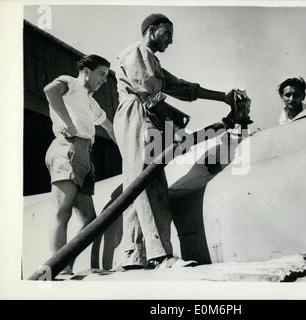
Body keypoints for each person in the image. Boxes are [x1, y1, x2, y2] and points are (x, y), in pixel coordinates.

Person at [112, 13, 238, 269]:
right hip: (136, 113)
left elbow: (183, 88)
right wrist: (175, 126)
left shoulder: (152, 62)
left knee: (139, 182)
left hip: (145, 114)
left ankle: (133, 255)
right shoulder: (137, 51)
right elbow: (149, 92)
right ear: (152, 30)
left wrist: (223, 97)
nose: (170, 41)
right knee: (148, 181)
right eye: (167, 34)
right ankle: (161, 256)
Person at [44, 54, 116, 274]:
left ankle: (66, 266)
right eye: (101, 74)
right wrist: (68, 124)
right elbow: (50, 91)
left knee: (90, 221)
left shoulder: (92, 102)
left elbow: (109, 127)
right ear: (86, 71)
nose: (104, 80)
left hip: (86, 154)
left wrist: (128, 149)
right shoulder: (71, 82)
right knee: (62, 211)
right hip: (68, 147)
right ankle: (59, 270)